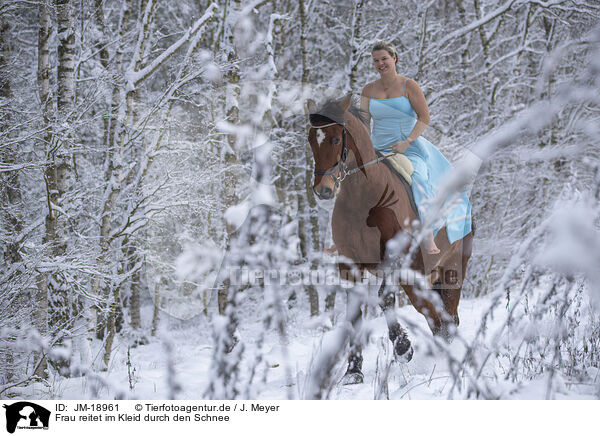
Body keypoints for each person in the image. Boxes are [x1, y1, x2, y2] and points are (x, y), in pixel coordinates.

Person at [361, 41, 472, 254]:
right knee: (354, 181)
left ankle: (428, 233)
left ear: (395, 58)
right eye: (376, 61)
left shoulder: (408, 86)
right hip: (377, 148)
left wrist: (407, 142)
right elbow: (364, 123)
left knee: (418, 179)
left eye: (384, 58)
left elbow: (424, 118)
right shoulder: (368, 90)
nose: (380, 63)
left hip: (408, 147)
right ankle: (344, 238)